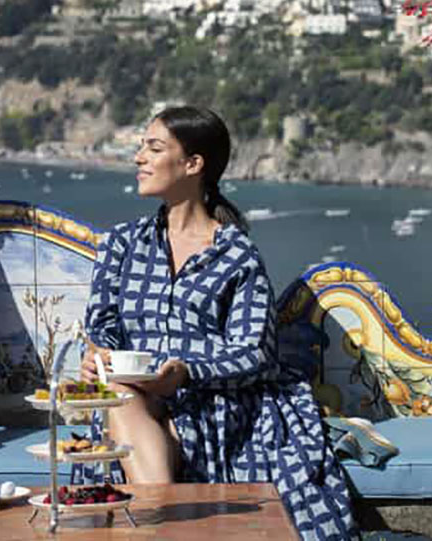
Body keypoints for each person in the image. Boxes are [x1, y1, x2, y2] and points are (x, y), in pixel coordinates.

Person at [79, 106, 357, 541]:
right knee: (118, 395)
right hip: (130, 395)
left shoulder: (236, 255)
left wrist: (186, 372)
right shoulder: (120, 244)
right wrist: (98, 358)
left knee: (143, 423)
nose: (138, 158)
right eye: (141, 147)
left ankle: (159, 529)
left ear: (193, 164)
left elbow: (256, 353)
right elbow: (102, 328)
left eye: (154, 148)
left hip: (213, 403)